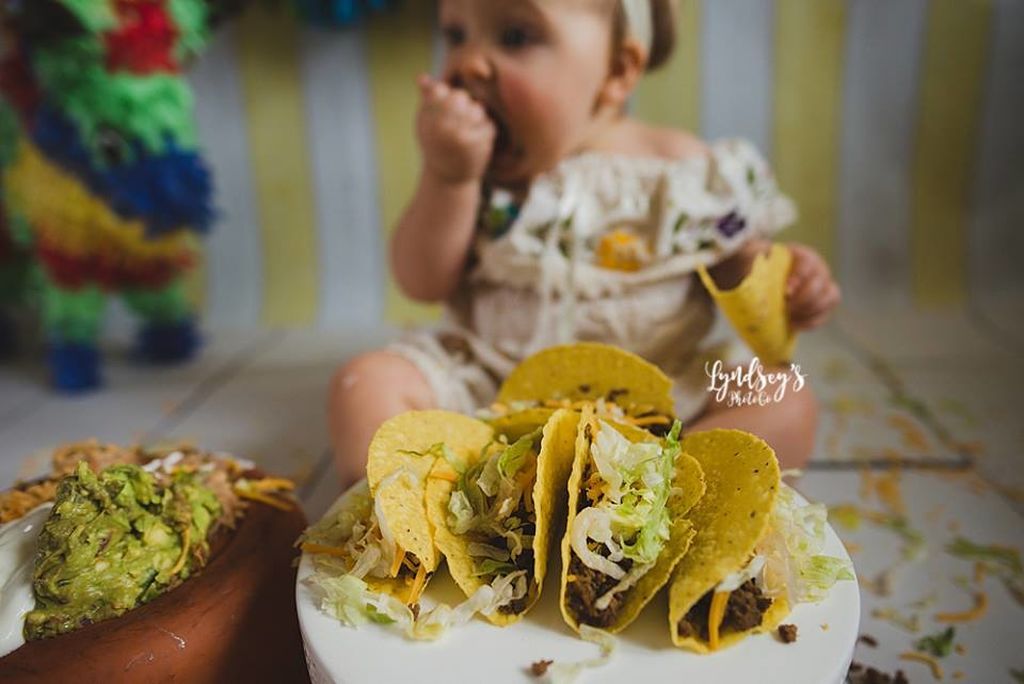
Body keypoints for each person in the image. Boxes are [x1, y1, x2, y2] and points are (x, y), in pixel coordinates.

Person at [328, 0, 840, 487]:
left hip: (662, 399)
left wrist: (790, 283)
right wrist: (449, 179)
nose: (467, 64)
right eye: (455, 33)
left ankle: (666, 488)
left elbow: (742, 271)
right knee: (365, 383)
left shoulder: (682, 174)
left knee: (783, 394)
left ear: (618, 70)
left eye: (514, 36)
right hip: (489, 391)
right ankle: (445, 504)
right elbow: (421, 281)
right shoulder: (473, 172)